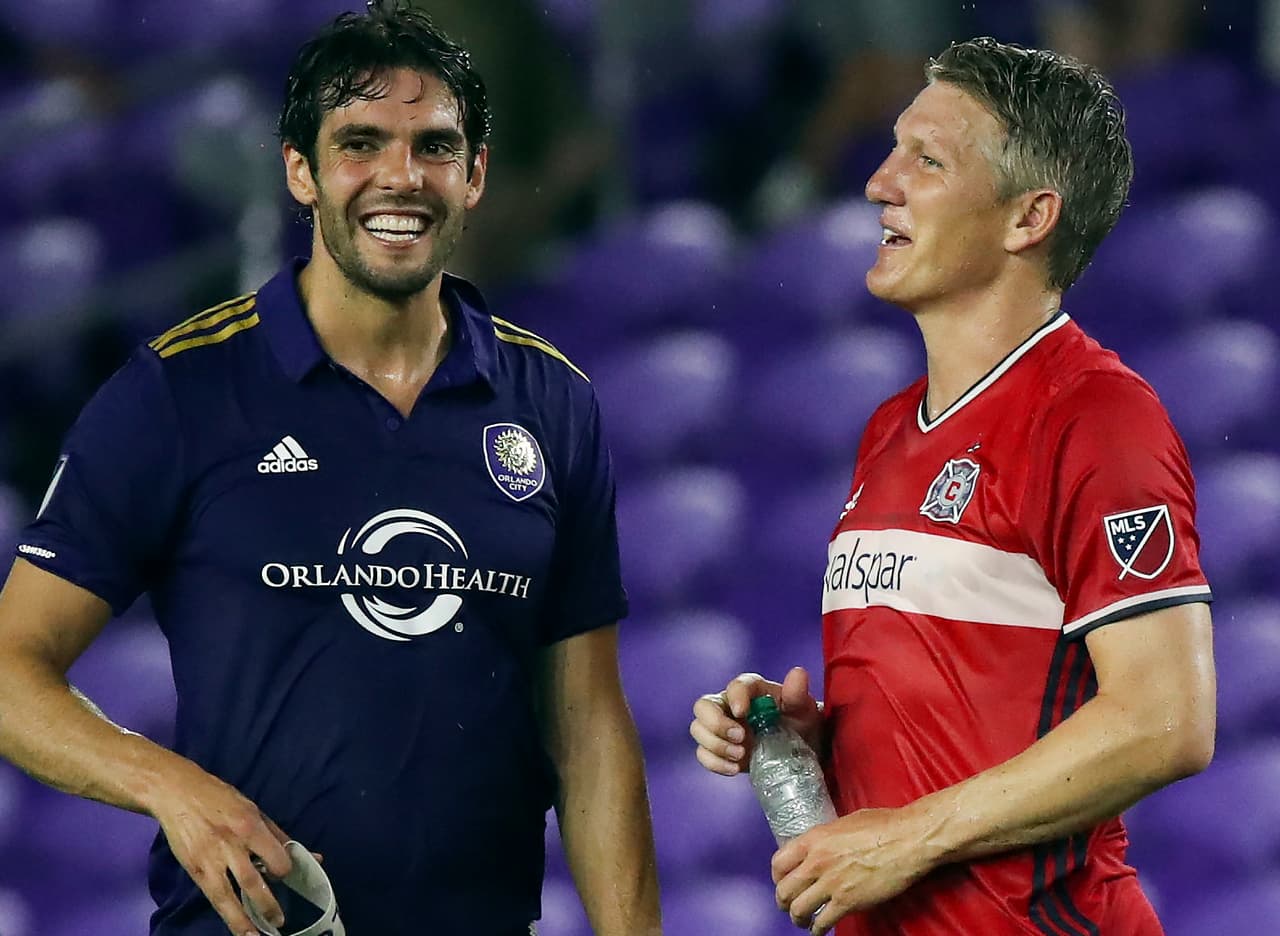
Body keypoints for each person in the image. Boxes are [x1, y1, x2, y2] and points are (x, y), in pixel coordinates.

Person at [0, 4, 660, 935]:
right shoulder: (181, 389)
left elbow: (588, 729)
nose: (401, 177)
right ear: (300, 171)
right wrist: (171, 788)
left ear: (473, 176)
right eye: (361, 143)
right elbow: (9, 666)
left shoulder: (553, 402)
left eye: (434, 146)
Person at [691, 37, 1215, 936]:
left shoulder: (1096, 417)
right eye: (894, 149)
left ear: (1028, 218)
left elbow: (1165, 719)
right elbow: (973, 700)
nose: (877, 182)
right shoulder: (888, 431)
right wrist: (817, 739)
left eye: (926, 160)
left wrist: (907, 835)